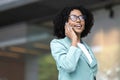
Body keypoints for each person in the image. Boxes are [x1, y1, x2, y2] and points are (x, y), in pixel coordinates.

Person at [50, 6, 98, 80]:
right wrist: (74, 39)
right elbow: (69, 66)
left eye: (81, 17)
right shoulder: (57, 44)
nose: (78, 20)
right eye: (73, 17)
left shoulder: (86, 47)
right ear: (65, 23)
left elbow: (92, 73)